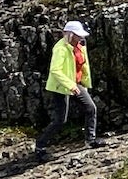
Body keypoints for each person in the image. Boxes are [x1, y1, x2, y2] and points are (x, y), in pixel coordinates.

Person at [34, 20, 100, 157]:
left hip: (76, 83)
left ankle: (91, 140)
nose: (81, 38)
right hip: (61, 87)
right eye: (78, 35)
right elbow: (55, 70)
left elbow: (83, 64)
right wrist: (70, 85)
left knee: (91, 108)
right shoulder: (61, 48)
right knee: (60, 120)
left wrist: (83, 83)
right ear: (70, 35)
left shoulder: (80, 45)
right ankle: (40, 145)